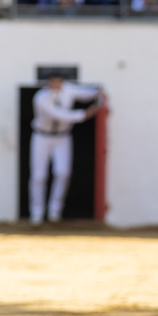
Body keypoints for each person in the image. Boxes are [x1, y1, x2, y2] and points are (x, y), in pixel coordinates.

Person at [28, 73, 102, 225]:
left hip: (62, 137)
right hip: (41, 137)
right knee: (38, 176)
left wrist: (98, 92)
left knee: (63, 173)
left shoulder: (68, 89)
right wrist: (85, 114)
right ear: (48, 83)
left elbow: (85, 93)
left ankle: (55, 210)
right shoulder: (41, 98)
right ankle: (37, 213)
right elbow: (59, 114)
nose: (56, 86)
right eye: (53, 83)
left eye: (59, 82)